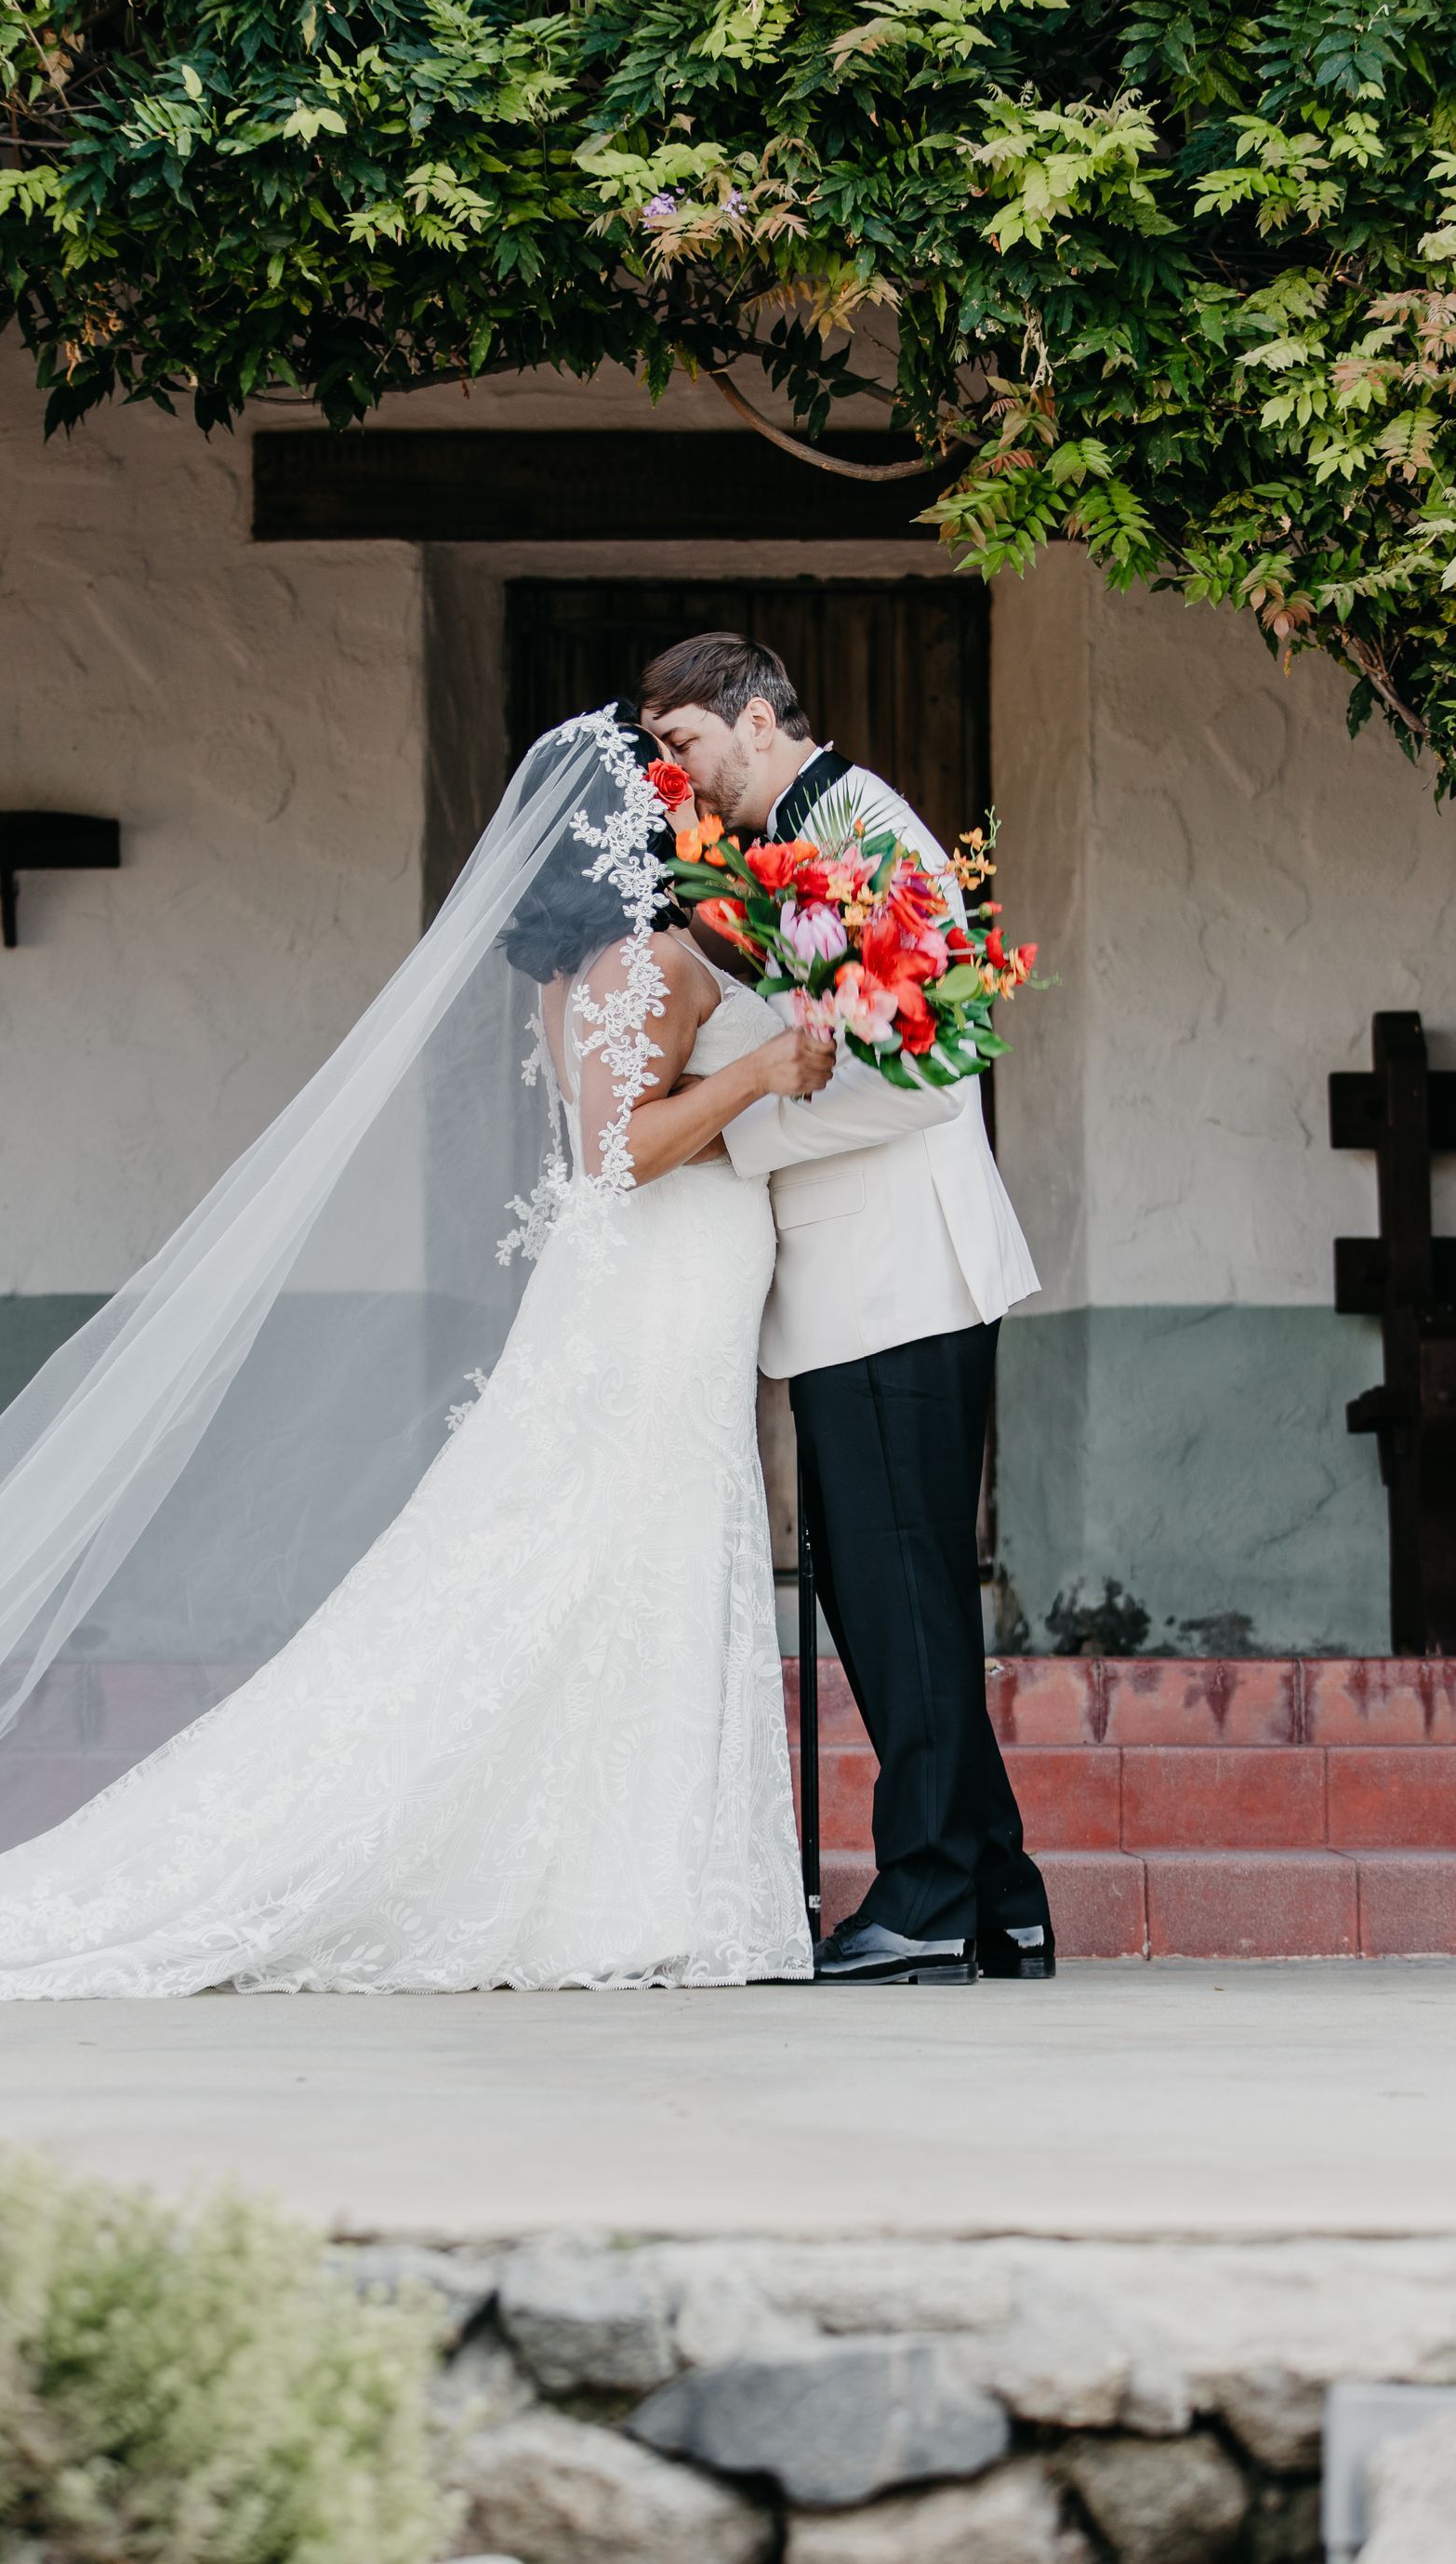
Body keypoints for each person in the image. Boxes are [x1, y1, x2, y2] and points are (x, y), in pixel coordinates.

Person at [0, 711, 832, 1999]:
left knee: (615, 1557)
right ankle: (626, 1885)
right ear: (633, 827)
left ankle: (636, 1870)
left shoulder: (586, 968)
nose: (697, 817)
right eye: (674, 799)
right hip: (654, 1291)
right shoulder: (641, 962)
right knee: (627, 1551)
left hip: (650, 1294)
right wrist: (767, 1073)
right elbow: (618, 1153)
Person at [641, 633, 1056, 1985]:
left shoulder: (867, 834)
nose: (676, 774)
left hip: (895, 1276)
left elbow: (931, 1075)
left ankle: (927, 1901)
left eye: (686, 744)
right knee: (902, 1595)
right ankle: (1002, 1899)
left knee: (898, 1602)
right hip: (862, 1283)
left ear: (756, 722)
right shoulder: (796, 850)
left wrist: (739, 1134)